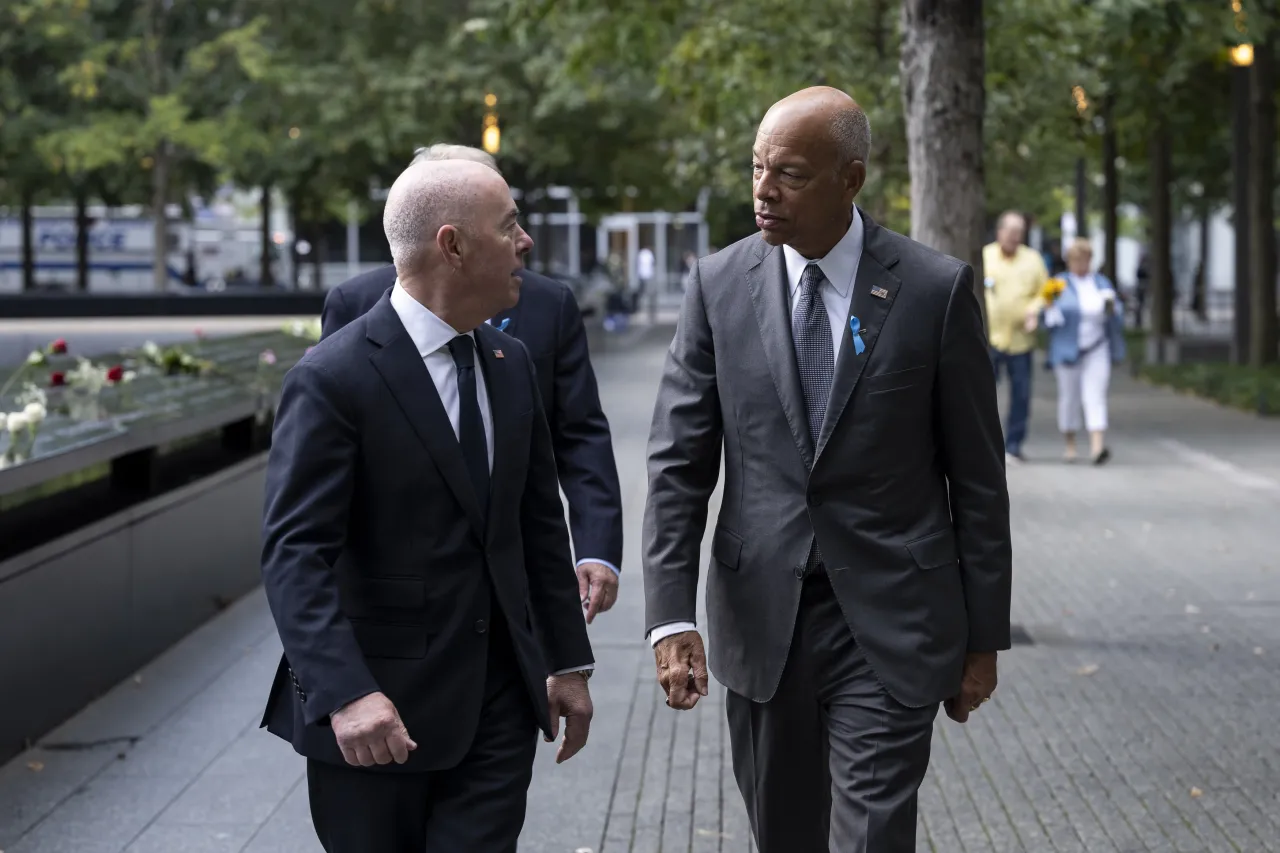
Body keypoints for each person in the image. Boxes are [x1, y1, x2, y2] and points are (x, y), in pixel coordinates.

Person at [642, 87, 1012, 853]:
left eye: (791, 174)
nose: (764, 191)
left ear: (851, 178)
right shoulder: (717, 287)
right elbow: (679, 463)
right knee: (785, 834)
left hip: (891, 620)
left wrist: (983, 638)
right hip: (761, 619)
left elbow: (977, 479)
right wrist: (672, 616)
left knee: (873, 834)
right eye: (756, 168)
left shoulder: (934, 290)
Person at [259, 158, 595, 852]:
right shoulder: (332, 378)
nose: (526, 241)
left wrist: (567, 659)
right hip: (378, 718)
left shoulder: (511, 364)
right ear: (453, 245)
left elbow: (535, 526)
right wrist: (347, 692)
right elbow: (295, 553)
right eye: (509, 226)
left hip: (498, 705)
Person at [322, 144, 623, 623]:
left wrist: (596, 548)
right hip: (405, 608)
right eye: (505, 223)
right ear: (449, 235)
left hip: (519, 578)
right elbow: (311, 523)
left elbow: (578, 433)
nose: (522, 240)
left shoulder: (546, 307)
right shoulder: (351, 313)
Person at [1037, 237, 1126, 464]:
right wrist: (1048, 311)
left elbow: (1117, 313)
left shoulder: (1101, 283)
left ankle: (1097, 447)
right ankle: (1070, 445)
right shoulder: (1057, 284)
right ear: (1069, 261)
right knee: (1069, 398)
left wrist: (1113, 308)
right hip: (1067, 350)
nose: (1081, 265)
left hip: (1097, 347)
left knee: (1095, 396)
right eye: (1076, 260)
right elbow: (1045, 316)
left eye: (1085, 260)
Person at [982, 211, 1049, 462]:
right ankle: (984, 446)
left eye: (1019, 232)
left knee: (1021, 394)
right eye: (1010, 231)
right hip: (989, 338)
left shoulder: (1033, 259)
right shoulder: (985, 256)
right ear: (999, 231)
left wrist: (1035, 310)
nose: (1014, 236)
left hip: (1021, 340)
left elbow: (1046, 291)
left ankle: (1014, 445)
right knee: (983, 395)